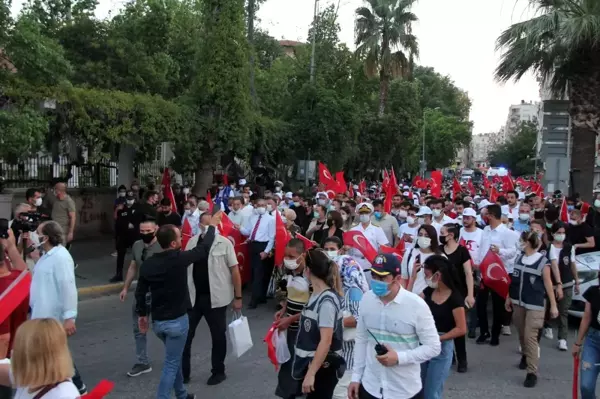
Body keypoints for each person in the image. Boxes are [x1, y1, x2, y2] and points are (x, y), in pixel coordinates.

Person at [135, 213, 221, 399]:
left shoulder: (148, 264)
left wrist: (142, 315)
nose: (182, 239)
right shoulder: (179, 259)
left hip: (158, 323)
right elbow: (204, 248)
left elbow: (140, 293)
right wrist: (212, 226)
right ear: (173, 244)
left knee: (174, 358)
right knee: (172, 363)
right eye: (179, 238)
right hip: (176, 322)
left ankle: (181, 394)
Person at [349, 253, 441, 399]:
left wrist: (399, 357)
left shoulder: (416, 305)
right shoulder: (367, 299)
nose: (376, 282)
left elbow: (433, 347)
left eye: (382, 278)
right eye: (374, 276)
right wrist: (355, 377)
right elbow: (361, 339)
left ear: (397, 279)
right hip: (371, 387)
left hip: (404, 390)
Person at [182, 213, 243, 386]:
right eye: (206, 226)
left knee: (218, 337)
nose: (209, 229)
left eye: (212, 226)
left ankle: (218, 371)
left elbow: (235, 271)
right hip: (193, 298)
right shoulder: (192, 242)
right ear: (200, 226)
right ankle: (183, 373)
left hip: (216, 299)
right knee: (185, 336)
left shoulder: (224, 243)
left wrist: (238, 297)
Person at [30, 221, 86, 394]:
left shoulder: (61, 257)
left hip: (52, 318)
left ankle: (77, 386)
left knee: (55, 353)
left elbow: (67, 287)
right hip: (41, 315)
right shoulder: (47, 256)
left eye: (37, 232)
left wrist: (70, 317)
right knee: (53, 353)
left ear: (45, 237)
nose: (34, 234)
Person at [506, 230, 558, 388]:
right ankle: (526, 355)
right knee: (522, 334)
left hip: (535, 305)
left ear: (528, 242)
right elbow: (513, 280)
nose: (520, 243)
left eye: (522, 240)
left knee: (530, 337)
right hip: (518, 303)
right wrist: (509, 297)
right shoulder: (520, 258)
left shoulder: (543, 262)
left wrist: (553, 305)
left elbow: (548, 285)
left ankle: (532, 372)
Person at [291, 249, 344, 398]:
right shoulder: (316, 295)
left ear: (308, 270)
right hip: (315, 366)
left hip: (322, 370)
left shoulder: (326, 302)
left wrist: (311, 374)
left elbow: (326, 341)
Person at [323, 237, 369, 399]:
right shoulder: (335, 289)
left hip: (352, 350)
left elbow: (358, 318)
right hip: (339, 348)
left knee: (342, 392)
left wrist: (333, 323)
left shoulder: (354, 292)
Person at [420, 255, 467, 398]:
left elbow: (461, 328)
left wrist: (439, 338)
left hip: (441, 347)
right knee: (418, 389)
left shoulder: (455, 299)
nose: (425, 277)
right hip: (423, 344)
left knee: (431, 393)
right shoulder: (428, 291)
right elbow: (411, 304)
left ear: (438, 275)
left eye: (427, 273)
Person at [119, 218, 160, 378]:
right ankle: (142, 361)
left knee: (162, 327)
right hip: (142, 293)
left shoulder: (162, 245)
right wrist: (125, 287)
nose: (145, 234)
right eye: (142, 231)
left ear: (156, 229)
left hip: (159, 293)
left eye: (148, 231)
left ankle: (176, 356)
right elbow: (133, 266)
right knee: (139, 328)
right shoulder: (137, 245)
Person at [0, 319, 80, 399]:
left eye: (18, 346)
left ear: (31, 355)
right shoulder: (32, 375)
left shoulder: (64, 395)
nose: (12, 351)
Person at [476, 204, 518, 346]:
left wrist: (500, 251)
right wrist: (479, 264)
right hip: (484, 273)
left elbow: (514, 251)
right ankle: (484, 331)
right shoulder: (486, 230)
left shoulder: (508, 233)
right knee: (480, 304)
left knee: (497, 306)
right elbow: (482, 248)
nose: (483, 217)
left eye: (486, 214)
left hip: (499, 274)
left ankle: (495, 334)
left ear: (492, 215)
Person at [274, 239, 310, 399]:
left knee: (301, 362)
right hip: (291, 326)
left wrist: (291, 319)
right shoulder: (289, 271)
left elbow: (314, 308)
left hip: (307, 328)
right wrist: (284, 309)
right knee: (290, 361)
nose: (288, 259)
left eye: (292, 256)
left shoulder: (311, 275)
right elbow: (290, 294)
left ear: (302, 255)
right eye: (286, 255)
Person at [439, 223, 473, 373]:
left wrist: (470, 294)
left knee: (459, 328)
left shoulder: (462, 251)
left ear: (451, 235)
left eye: (442, 233)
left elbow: (468, 274)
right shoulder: (439, 251)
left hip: (458, 294)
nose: (440, 236)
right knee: (444, 326)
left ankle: (462, 359)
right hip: (442, 293)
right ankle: (449, 355)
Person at [0, 230, 29, 399]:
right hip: (14, 354)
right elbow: (24, 270)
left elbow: (3, 337)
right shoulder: (19, 282)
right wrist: (11, 246)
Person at [548, 222, 578, 351]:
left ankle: (562, 339)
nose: (561, 235)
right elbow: (554, 265)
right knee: (548, 309)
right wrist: (557, 284)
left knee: (563, 311)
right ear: (553, 234)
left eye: (563, 233)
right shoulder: (550, 248)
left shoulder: (569, 247)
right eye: (558, 233)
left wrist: (576, 281)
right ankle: (547, 326)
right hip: (550, 284)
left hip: (567, 283)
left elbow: (572, 264)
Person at [240, 198, 275, 309]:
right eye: (258, 205)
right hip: (253, 245)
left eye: (263, 205)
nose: (260, 207)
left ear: (266, 206)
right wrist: (239, 228)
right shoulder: (253, 217)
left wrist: (266, 251)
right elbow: (248, 232)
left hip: (263, 246)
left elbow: (271, 237)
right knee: (254, 272)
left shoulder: (270, 219)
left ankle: (254, 300)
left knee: (258, 273)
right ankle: (260, 297)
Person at [573, 281, 600, 398]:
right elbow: (586, 317)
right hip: (593, 341)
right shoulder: (593, 291)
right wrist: (577, 343)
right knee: (586, 386)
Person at [349, 203, 389, 278]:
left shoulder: (377, 229)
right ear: (358, 214)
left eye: (366, 213)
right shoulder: (353, 229)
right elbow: (349, 247)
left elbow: (384, 247)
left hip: (371, 263)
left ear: (370, 214)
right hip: (356, 262)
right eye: (362, 213)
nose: (364, 215)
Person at [402, 224, 443, 295]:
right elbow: (403, 278)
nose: (423, 237)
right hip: (412, 296)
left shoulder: (440, 257)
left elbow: (444, 284)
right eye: (420, 235)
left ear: (432, 238)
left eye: (426, 236)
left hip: (432, 300)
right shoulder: (409, 253)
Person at [112, 191, 139, 282]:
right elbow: (118, 222)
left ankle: (140, 274)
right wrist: (126, 224)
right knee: (120, 255)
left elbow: (140, 221)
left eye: (131, 199)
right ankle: (118, 275)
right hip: (123, 235)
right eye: (128, 199)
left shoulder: (138, 208)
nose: (129, 201)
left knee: (138, 255)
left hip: (135, 236)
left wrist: (134, 226)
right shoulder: (122, 208)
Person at [49, 182, 76, 250]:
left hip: (63, 231)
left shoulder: (68, 201)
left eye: (55, 189)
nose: (53, 191)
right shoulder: (56, 199)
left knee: (60, 250)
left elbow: (73, 217)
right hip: (55, 229)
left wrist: (70, 232)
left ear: (59, 191)